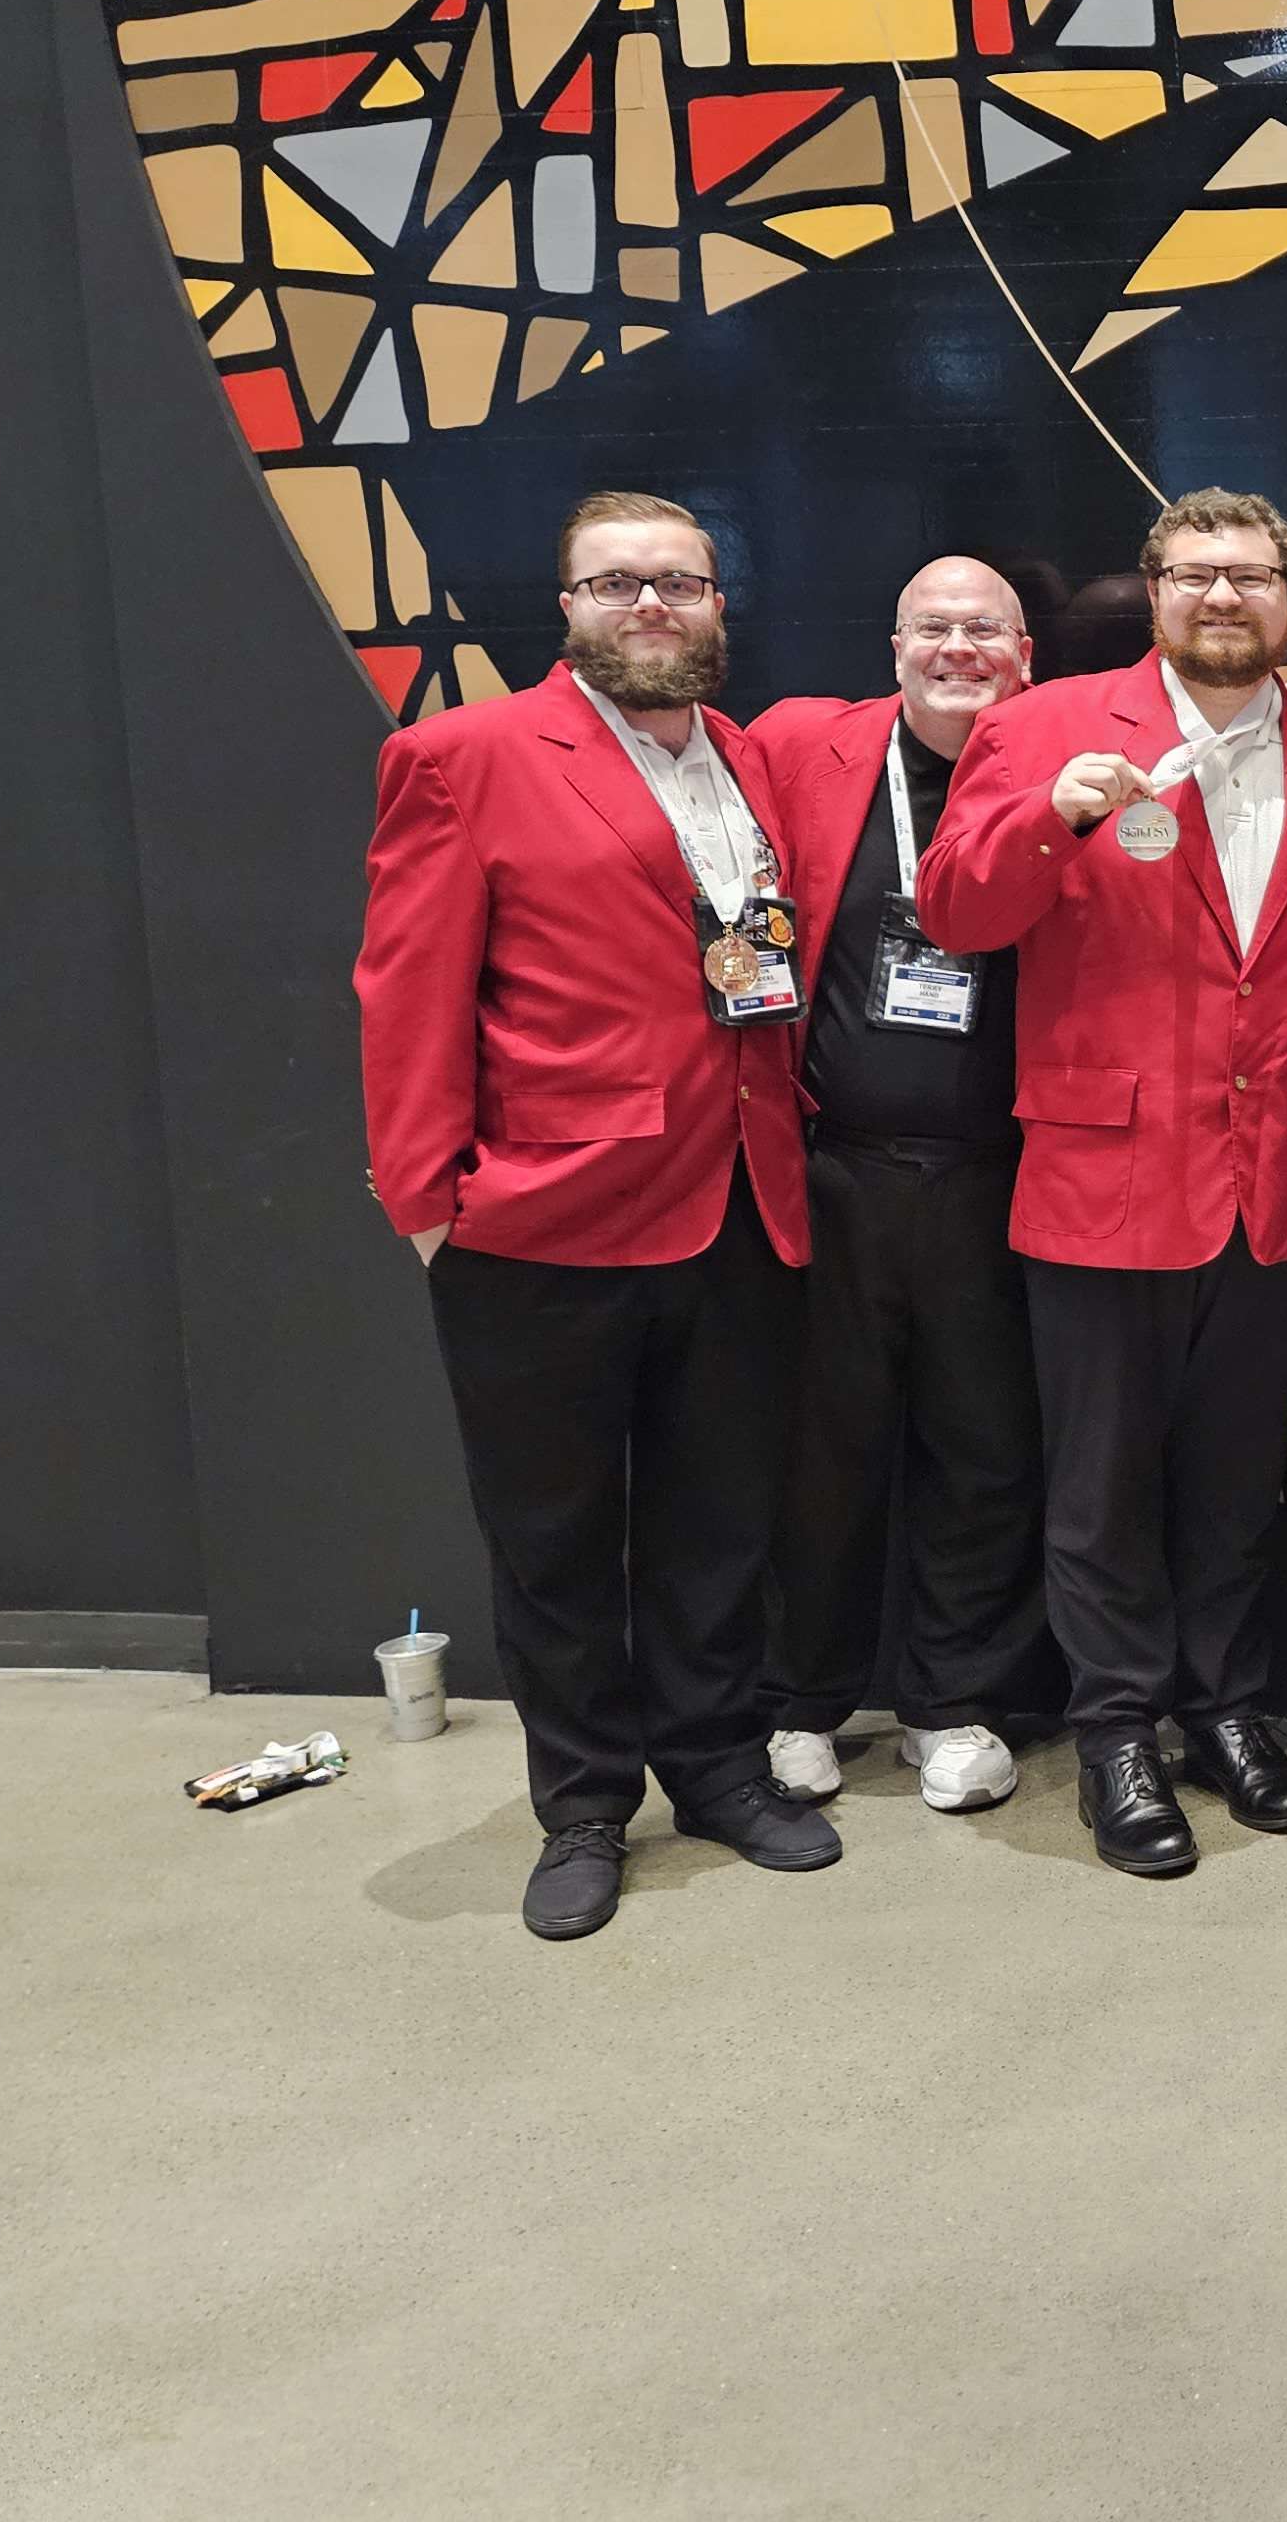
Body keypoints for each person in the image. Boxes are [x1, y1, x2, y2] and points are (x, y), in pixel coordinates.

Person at [355, 491, 834, 1940]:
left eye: (678, 583)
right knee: (556, 1543)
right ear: (562, 605)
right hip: (541, 1227)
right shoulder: (460, 758)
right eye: (614, 584)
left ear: (716, 605)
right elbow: (406, 992)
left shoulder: (749, 759)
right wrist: (430, 1204)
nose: (649, 608)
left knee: (715, 1524)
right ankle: (580, 1806)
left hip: (743, 1207)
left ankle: (716, 1766)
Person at [918, 489, 1287, 1878]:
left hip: (1276, 1182)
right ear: (1151, 590)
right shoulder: (1044, 730)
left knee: (1233, 1479)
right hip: (1102, 1177)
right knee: (1099, 1488)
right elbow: (955, 911)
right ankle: (1118, 1730)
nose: (1222, 599)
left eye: (1251, 578)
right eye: (1195, 575)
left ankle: (1226, 1709)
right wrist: (1049, 821)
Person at [733, 559, 1049, 1818]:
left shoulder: (1070, 752)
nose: (957, 648)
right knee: (818, 1449)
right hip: (834, 1169)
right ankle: (799, 1699)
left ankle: (951, 1703)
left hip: (1004, 1178)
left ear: (1027, 652)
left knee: (985, 1450)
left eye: (984, 629)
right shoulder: (806, 745)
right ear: (894, 641)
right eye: (934, 627)